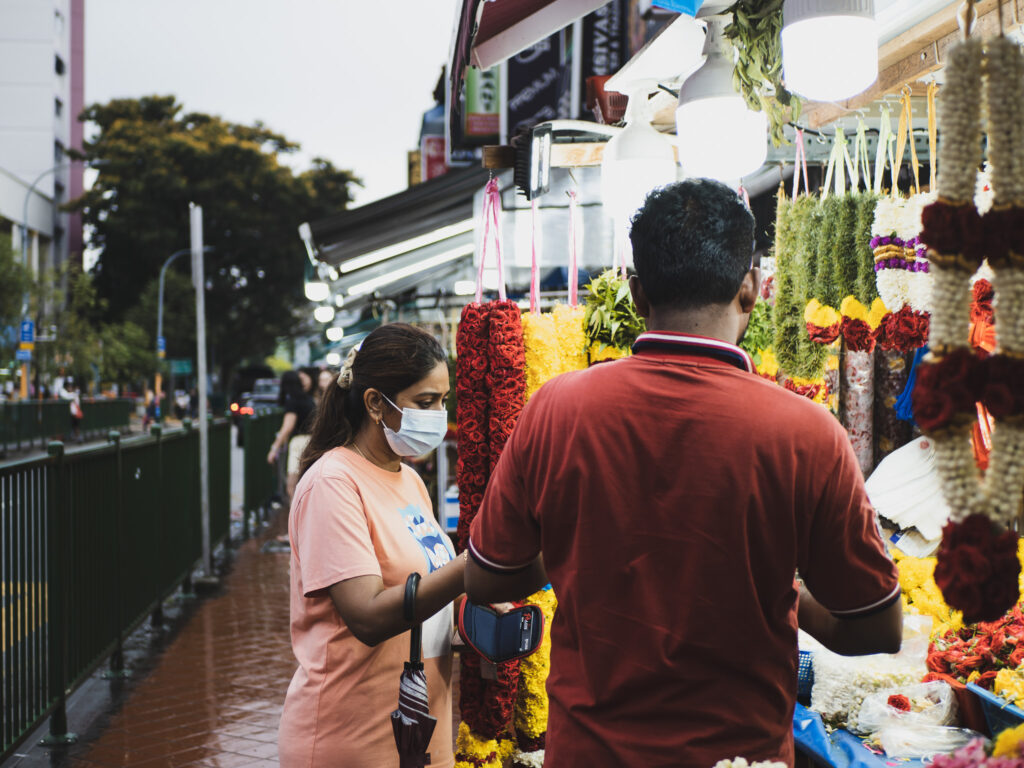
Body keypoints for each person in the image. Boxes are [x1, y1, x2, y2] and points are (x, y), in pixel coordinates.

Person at [464, 179, 902, 767]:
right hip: (740, 757)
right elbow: (876, 628)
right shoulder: (807, 433)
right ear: (750, 288)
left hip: (590, 753)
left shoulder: (556, 408)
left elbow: (490, 580)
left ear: (638, 292)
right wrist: (778, 589)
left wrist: (584, 548)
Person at [278, 324, 464, 768]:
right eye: (425, 402)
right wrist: (471, 567)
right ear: (376, 403)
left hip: (419, 736)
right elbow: (366, 614)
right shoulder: (332, 483)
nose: (438, 414)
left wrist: (469, 616)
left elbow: (425, 591)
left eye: (443, 400)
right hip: (353, 738)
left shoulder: (410, 479)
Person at [267, 369, 316, 504]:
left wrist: (274, 448)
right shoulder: (308, 400)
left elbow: (287, 427)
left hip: (299, 444)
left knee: (292, 487)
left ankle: (296, 522)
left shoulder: (292, 401)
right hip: (313, 442)